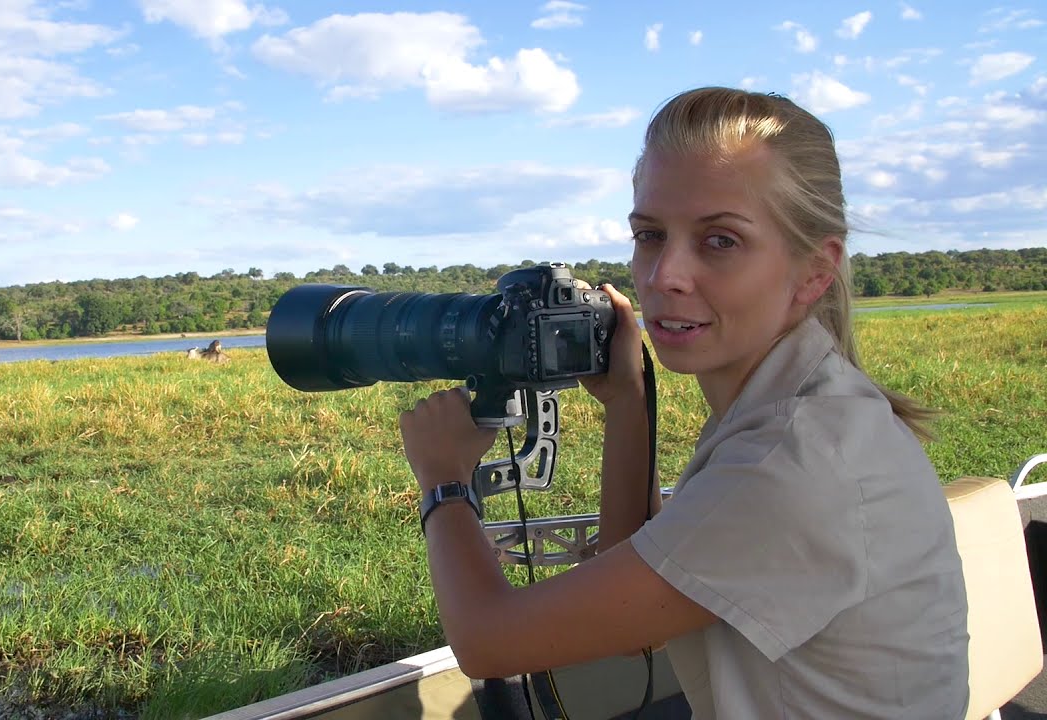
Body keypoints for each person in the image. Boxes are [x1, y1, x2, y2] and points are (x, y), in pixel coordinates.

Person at [398, 87, 969, 718]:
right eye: (650, 234)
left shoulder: (791, 460)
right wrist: (628, 400)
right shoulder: (800, 407)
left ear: (813, 270)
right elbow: (640, 618)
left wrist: (444, 481)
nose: (664, 274)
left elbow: (488, 642)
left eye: (720, 240)